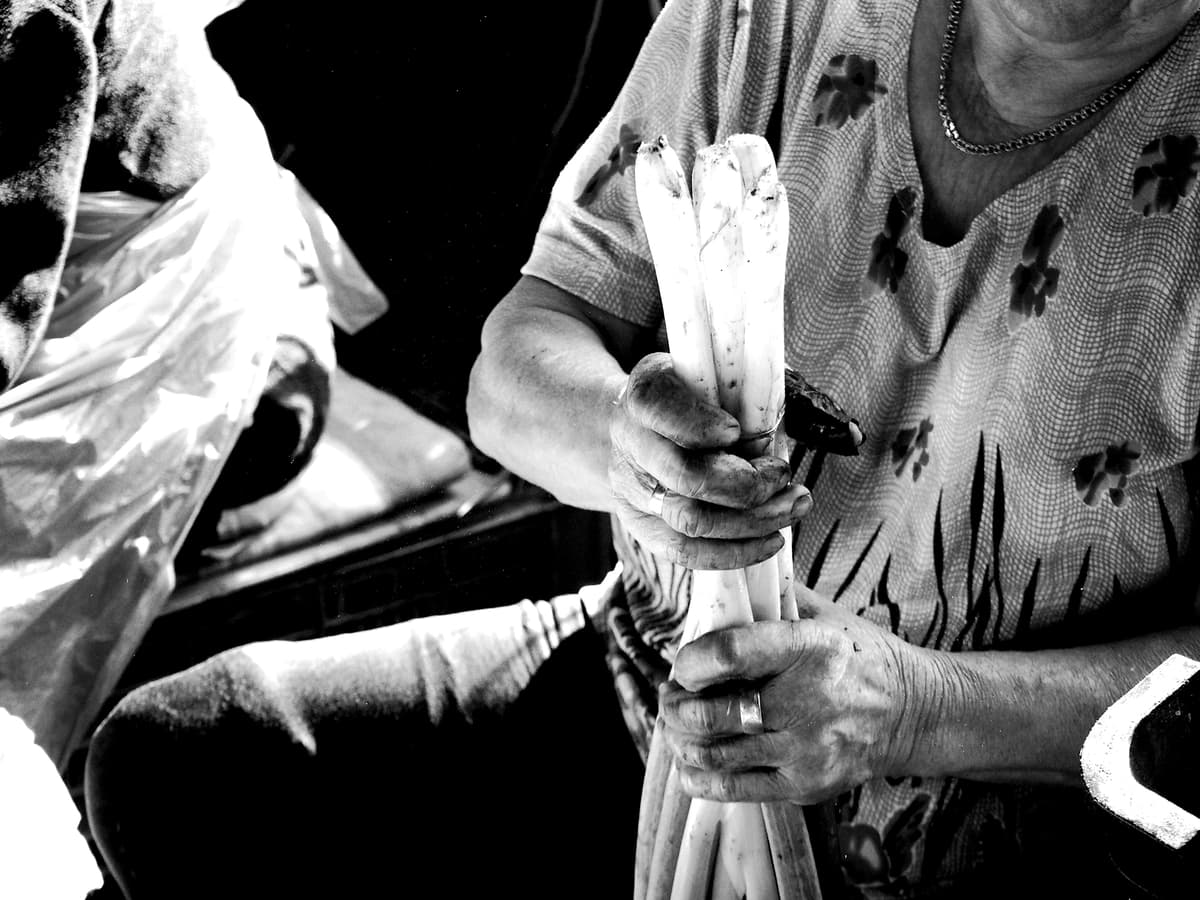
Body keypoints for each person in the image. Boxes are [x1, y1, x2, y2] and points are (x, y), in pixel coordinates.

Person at [86, 0, 1200, 897]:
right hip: (654, 684)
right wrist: (630, 445)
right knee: (180, 763)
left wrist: (904, 707)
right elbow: (519, 362)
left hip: (1004, 823)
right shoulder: (776, 15)